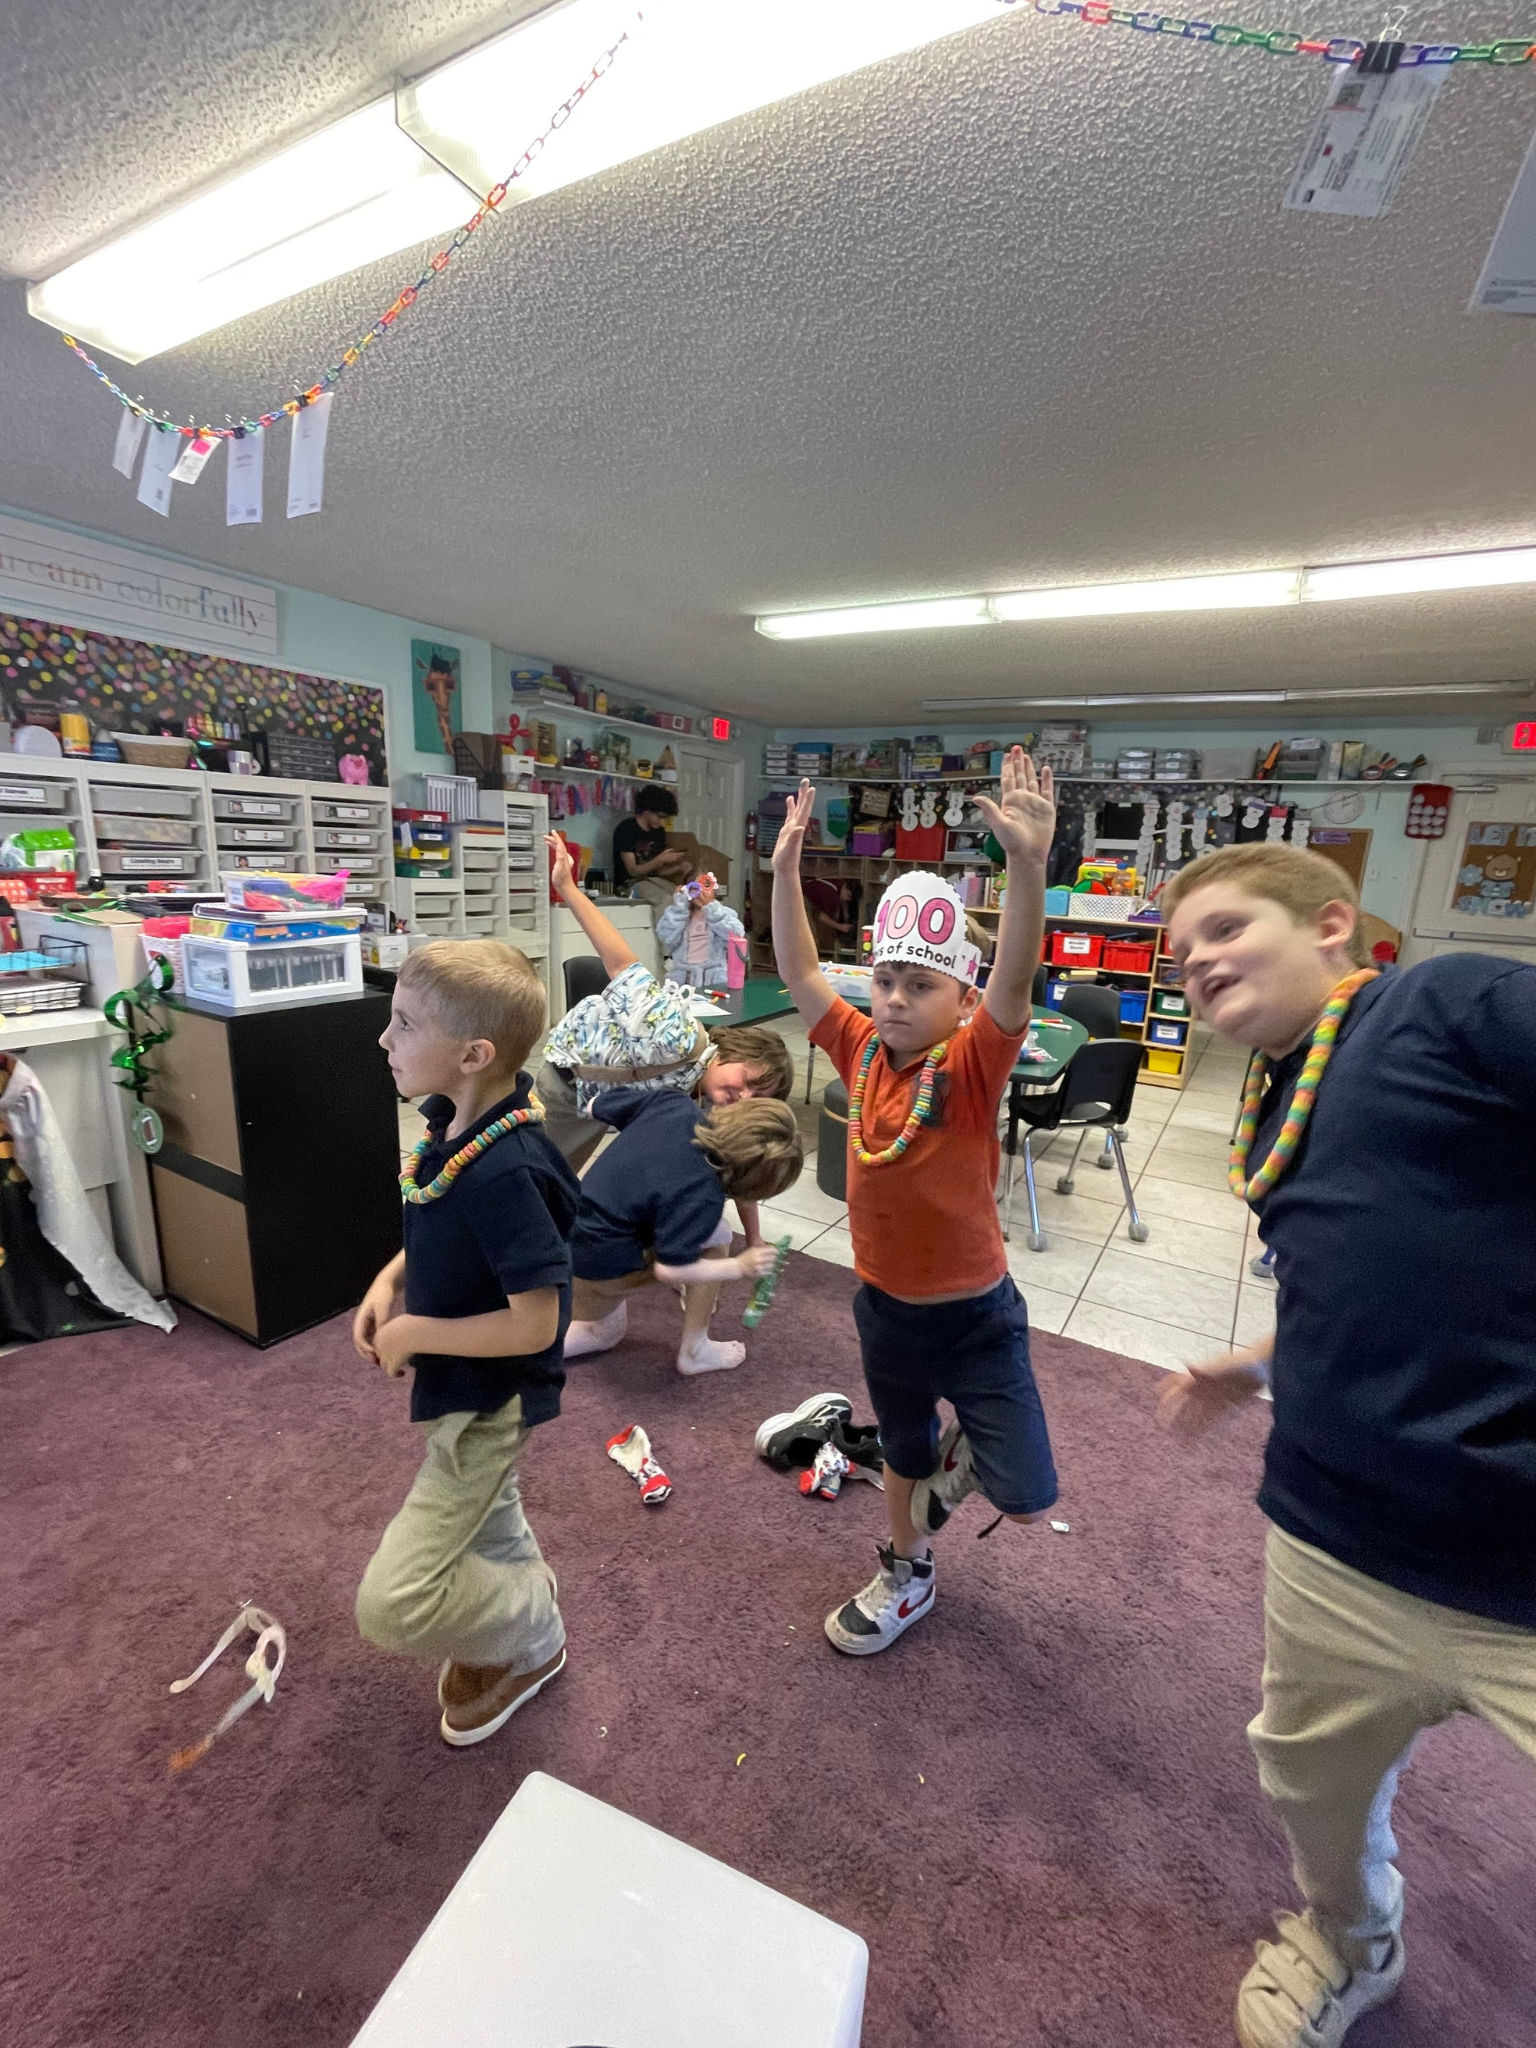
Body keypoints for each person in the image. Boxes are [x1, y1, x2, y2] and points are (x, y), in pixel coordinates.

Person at [1156, 843, 1536, 2048]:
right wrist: (1260, 1360)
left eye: (1225, 927)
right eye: (1181, 953)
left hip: (1520, 1550)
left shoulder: (1448, 1002)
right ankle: (1352, 1934)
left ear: (1332, 924)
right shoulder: (1279, 1095)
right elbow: (1359, 1261)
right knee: (1310, 1776)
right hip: (1338, 1529)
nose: (1197, 961)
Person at [771, 747, 1060, 1655]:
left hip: (975, 1318)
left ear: (962, 998)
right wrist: (783, 875)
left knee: (1026, 1494)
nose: (894, 1000)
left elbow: (1014, 981)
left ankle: (940, 1462)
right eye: (887, 980)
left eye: (920, 985)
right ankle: (909, 1570)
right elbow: (802, 973)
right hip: (885, 1311)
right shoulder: (858, 1048)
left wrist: (1027, 867)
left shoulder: (972, 1064)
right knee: (902, 1448)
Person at [352, 940, 580, 1749]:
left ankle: (532, 1621)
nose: (385, 1039)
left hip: (490, 1399)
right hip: (459, 1383)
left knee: (392, 1604)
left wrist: (416, 1330)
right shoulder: (458, 1123)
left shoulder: (505, 1171)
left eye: (406, 1025)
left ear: (474, 1055)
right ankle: (528, 1628)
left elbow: (537, 1323)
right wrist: (391, 1280)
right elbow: (439, 1218)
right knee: (491, 1517)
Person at [538, 835, 793, 1181]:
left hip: (595, 1099)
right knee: (537, 1183)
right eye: (748, 1080)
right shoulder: (678, 1037)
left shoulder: (704, 1091)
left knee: (557, 1182)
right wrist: (567, 887)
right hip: (566, 1088)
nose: (744, 1095)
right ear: (731, 1052)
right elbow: (621, 963)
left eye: (756, 1097)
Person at [564, 1088, 803, 1375]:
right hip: (597, 1266)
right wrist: (740, 1267)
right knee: (717, 1238)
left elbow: (595, 1104)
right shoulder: (702, 1195)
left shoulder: (674, 1104)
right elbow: (669, 1270)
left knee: (605, 1331)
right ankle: (695, 1351)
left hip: (568, 1230)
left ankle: (525, 1348)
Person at [611, 787, 691, 923]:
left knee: (683, 896)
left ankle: (685, 935)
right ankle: (666, 936)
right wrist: (660, 859)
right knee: (665, 899)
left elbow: (657, 871)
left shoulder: (658, 832)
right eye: (660, 817)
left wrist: (678, 867)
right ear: (647, 811)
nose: (662, 822)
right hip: (629, 884)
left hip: (651, 880)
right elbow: (632, 871)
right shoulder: (626, 829)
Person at [655, 872, 746, 989]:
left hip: (713, 979)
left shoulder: (723, 913)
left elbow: (736, 933)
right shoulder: (680, 916)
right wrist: (679, 907)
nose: (701, 892)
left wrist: (712, 909)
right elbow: (665, 936)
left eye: (706, 885)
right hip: (683, 979)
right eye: (694, 888)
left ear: (714, 889)